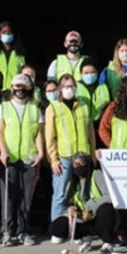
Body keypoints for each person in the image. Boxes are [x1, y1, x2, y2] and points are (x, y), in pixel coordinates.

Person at [46, 73, 96, 237]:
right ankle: (57, 230)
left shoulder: (83, 106)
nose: (69, 89)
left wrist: (92, 156)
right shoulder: (53, 107)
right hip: (65, 157)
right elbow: (50, 136)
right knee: (61, 194)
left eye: (72, 86)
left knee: (85, 194)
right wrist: (53, 159)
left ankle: (84, 231)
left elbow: (90, 133)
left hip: (83, 157)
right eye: (66, 86)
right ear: (60, 89)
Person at [0, 74, 43, 246]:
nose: (20, 89)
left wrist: (40, 153)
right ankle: (7, 231)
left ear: (29, 88)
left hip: (28, 159)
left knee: (25, 198)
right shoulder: (4, 107)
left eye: (23, 86)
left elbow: (38, 133)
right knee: (8, 197)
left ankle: (23, 231)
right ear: (11, 87)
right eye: (17, 86)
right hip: (9, 159)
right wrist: (3, 152)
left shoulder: (34, 108)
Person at [49, 152, 118, 251]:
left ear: (88, 164)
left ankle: (107, 242)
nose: (77, 166)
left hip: (97, 217)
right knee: (56, 226)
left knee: (106, 208)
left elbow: (110, 197)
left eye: (81, 163)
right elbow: (67, 203)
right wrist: (71, 209)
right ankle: (84, 238)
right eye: (75, 164)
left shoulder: (96, 174)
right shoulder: (73, 182)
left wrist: (89, 208)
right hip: (82, 219)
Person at [76, 57, 111, 124]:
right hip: (82, 123)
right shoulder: (76, 87)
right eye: (86, 73)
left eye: (92, 72)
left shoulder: (103, 87)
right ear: (81, 73)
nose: (89, 75)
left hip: (100, 123)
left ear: (97, 72)